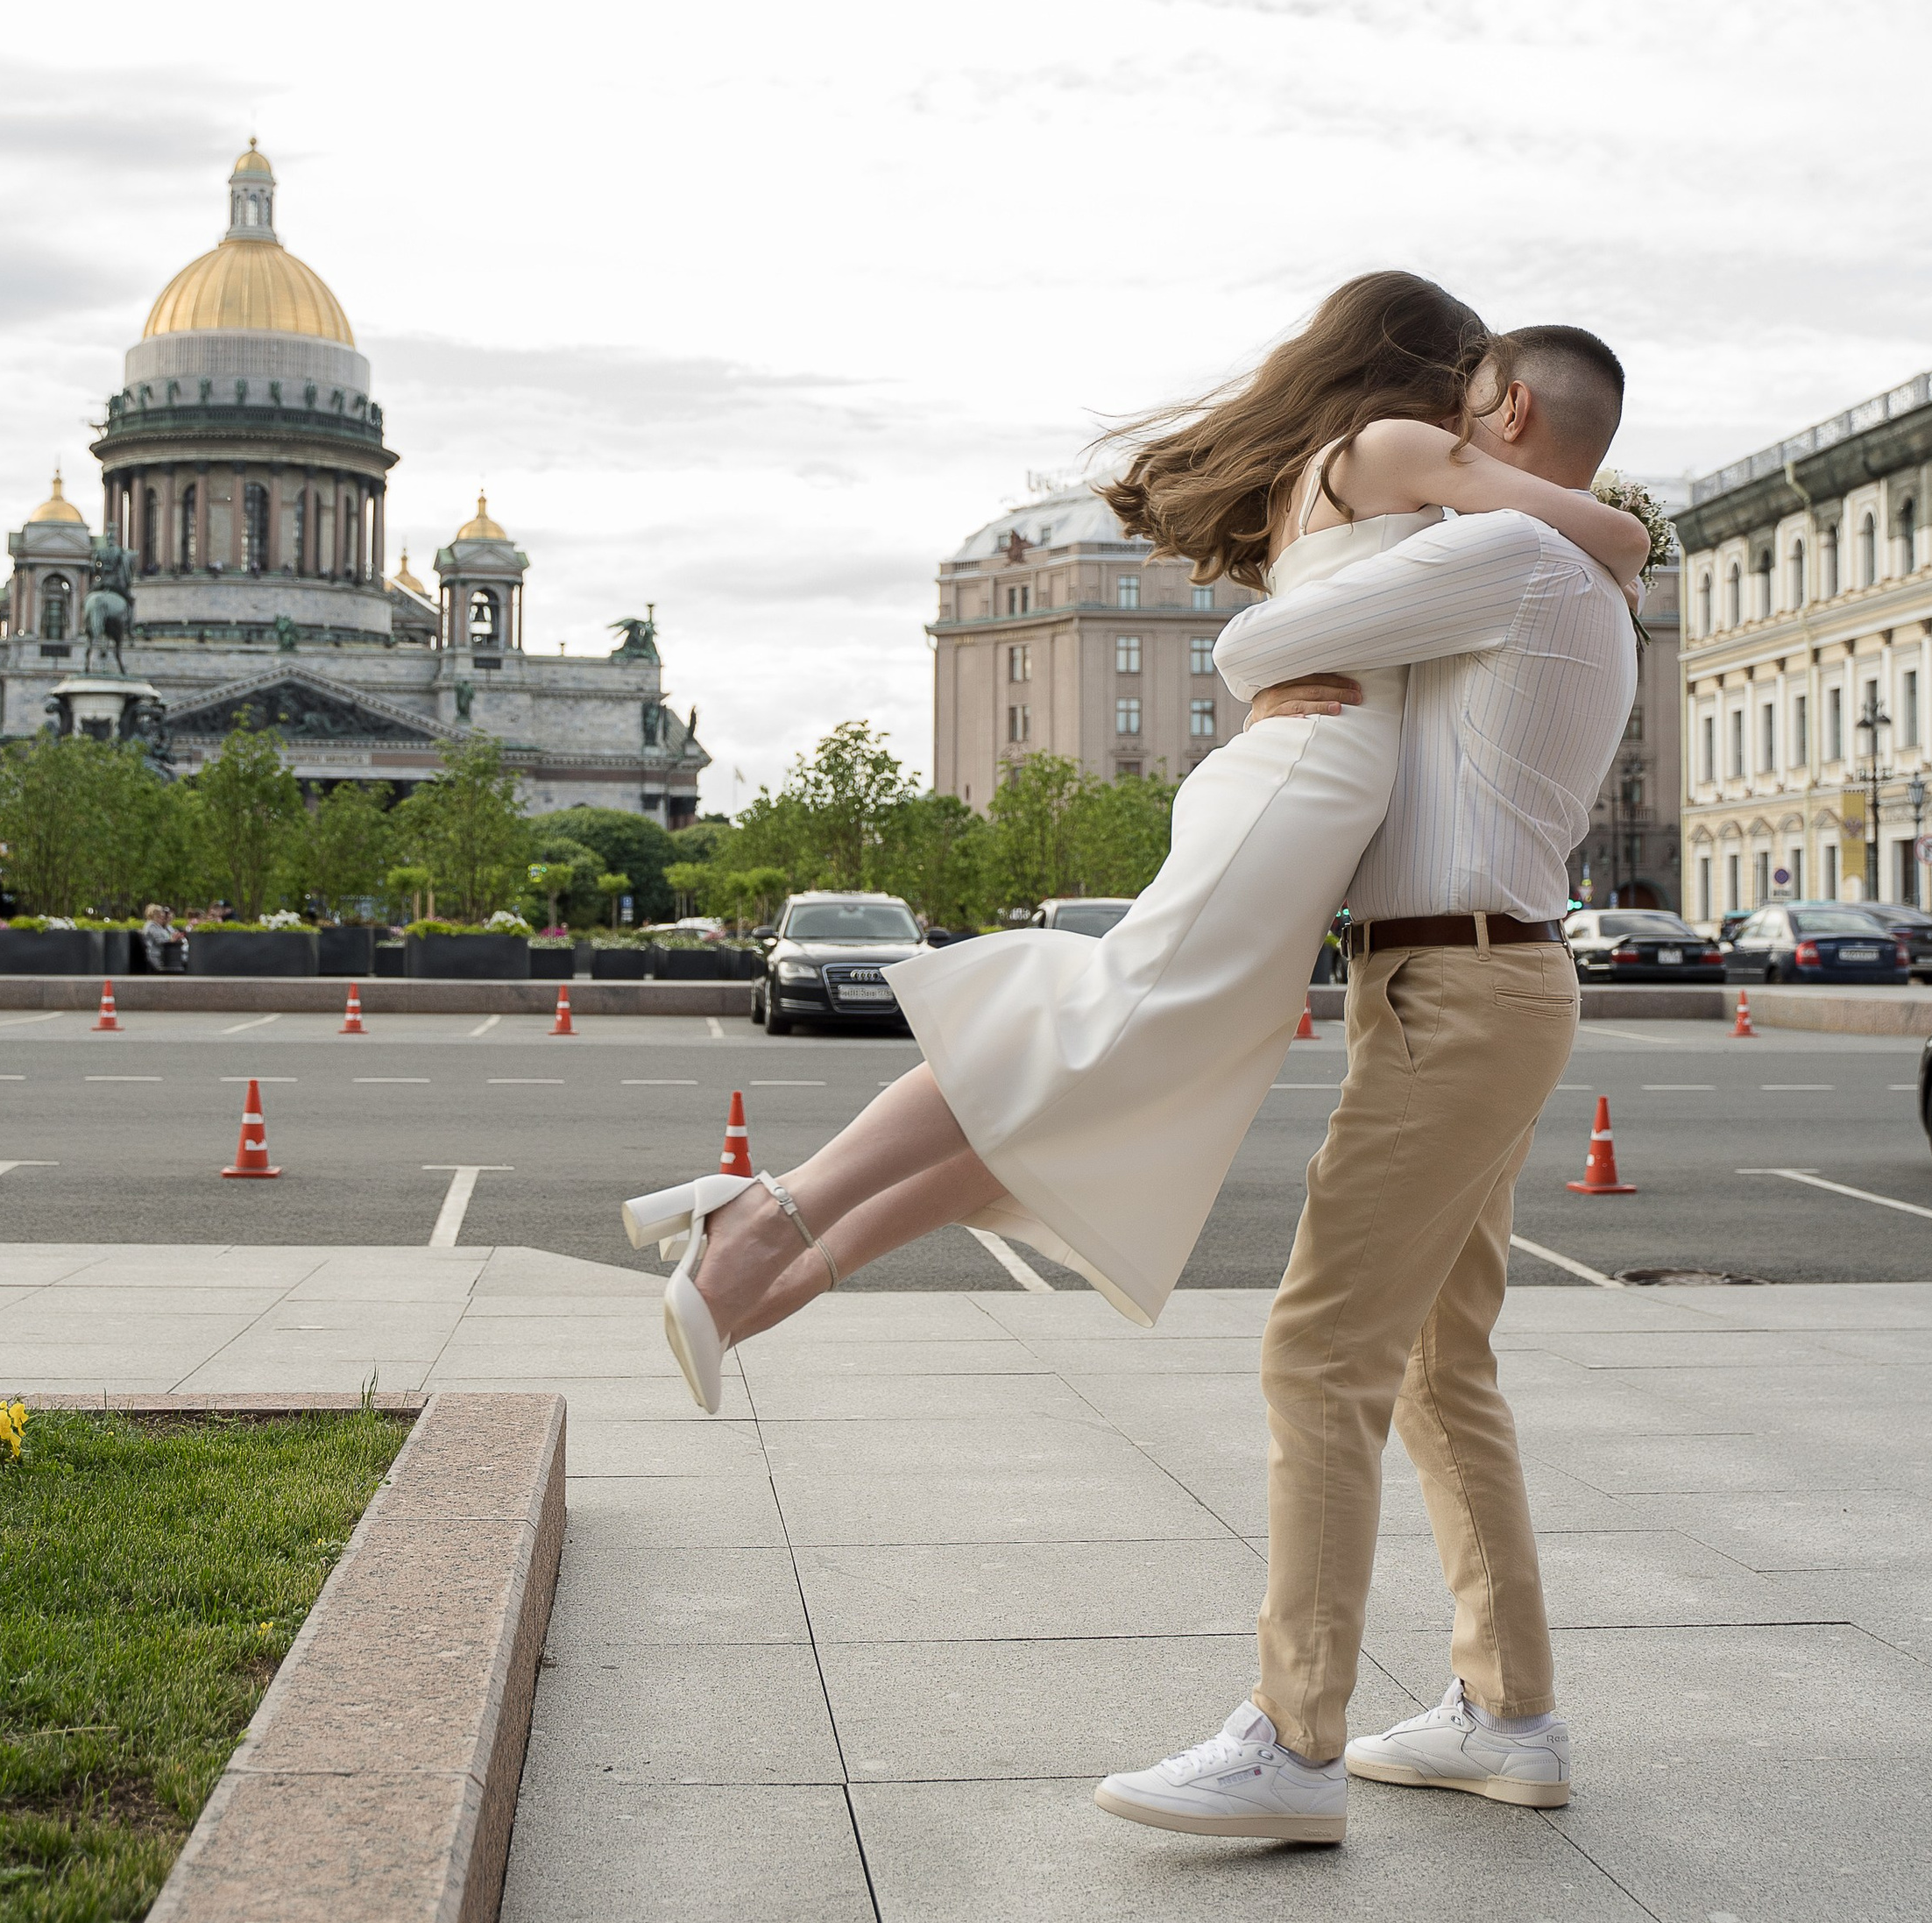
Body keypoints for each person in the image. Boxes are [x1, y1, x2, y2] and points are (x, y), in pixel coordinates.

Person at [622, 281, 1645, 1433]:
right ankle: (769, 1215)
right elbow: (1596, 528)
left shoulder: (1353, 461)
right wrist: (1636, 536)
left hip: (1311, 781)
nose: (1473, 417)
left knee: (1104, 1097)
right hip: (1305, 782)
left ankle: (773, 1274)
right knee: (1090, 1035)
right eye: (1469, 384)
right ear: (1430, 366)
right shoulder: (1392, 442)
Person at [1093, 322, 1639, 1843]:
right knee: (1436, 1362)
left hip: (1457, 984)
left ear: (1513, 411)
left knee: (1319, 1349)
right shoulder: (1561, 566)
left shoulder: (1518, 560)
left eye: (1460, 423)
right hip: (1483, 976)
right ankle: (1506, 1713)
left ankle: (1293, 1737)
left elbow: (1258, 642)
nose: (1435, 448)